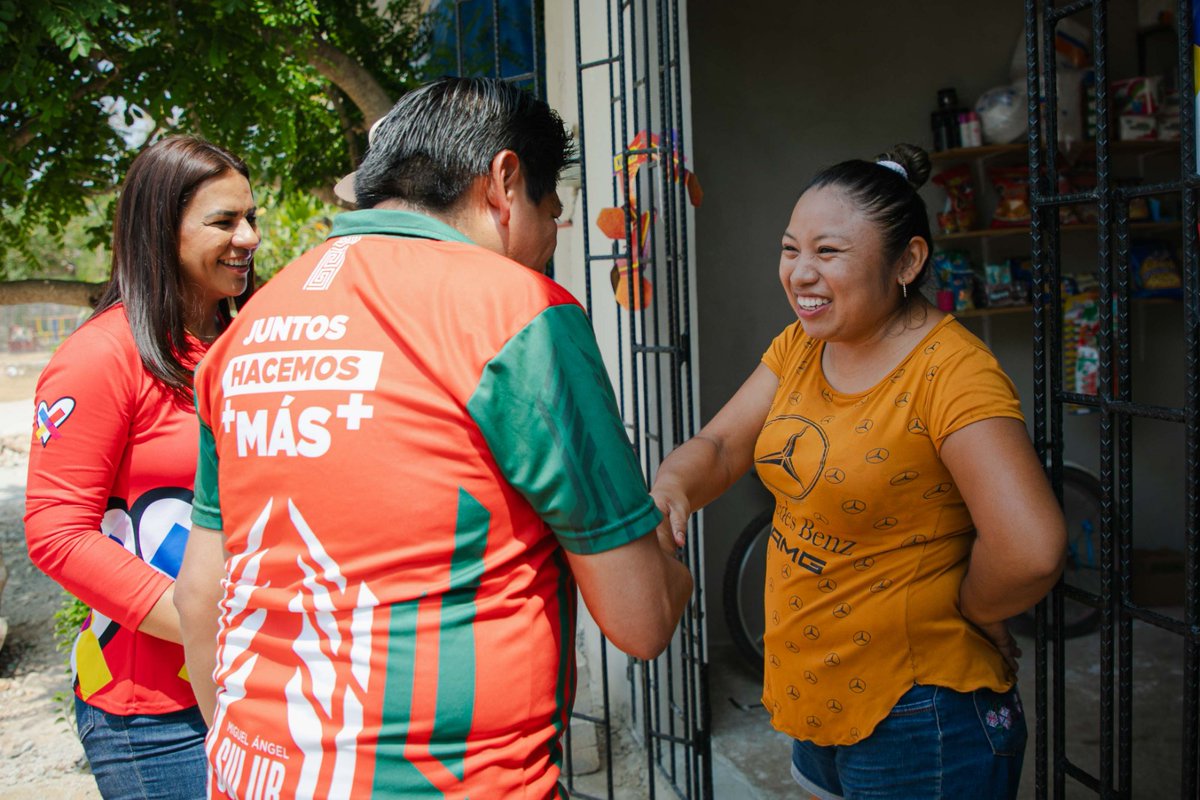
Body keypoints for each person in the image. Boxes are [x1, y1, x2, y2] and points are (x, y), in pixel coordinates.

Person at [174, 76, 693, 800]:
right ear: (506, 183)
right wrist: (668, 539)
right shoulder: (517, 313)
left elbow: (202, 595)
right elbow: (641, 621)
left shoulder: (250, 329)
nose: (549, 243)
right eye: (554, 214)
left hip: (249, 773)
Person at [651, 144, 1066, 799]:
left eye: (829, 252)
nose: (801, 274)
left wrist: (974, 609)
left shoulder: (952, 373)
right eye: (791, 250)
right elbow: (724, 447)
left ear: (908, 262)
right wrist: (673, 485)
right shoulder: (802, 346)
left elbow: (1031, 547)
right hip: (816, 693)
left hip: (922, 714)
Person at [24, 135, 259, 799]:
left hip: (264, 685)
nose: (247, 237)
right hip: (154, 714)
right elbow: (56, 531)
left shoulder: (253, 343)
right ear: (161, 229)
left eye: (251, 218)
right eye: (223, 221)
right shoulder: (100, 356)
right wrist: (199, 622)